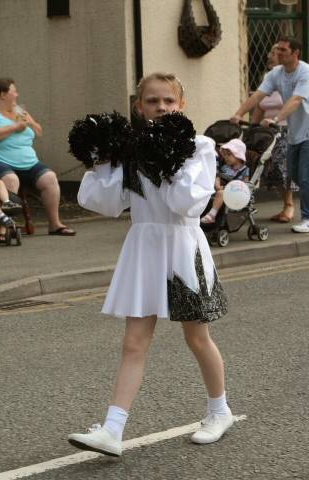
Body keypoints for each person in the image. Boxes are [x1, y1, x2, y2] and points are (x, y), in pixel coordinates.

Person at [68, 72, 236, 457]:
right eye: (152, 102)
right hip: (143, 245)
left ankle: (220, 410)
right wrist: (102, 161)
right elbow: (107, 203)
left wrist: (169, 160)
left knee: (197, 337)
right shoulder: (130, 149)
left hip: (182, 245)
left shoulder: (200, 145)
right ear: (138, 106)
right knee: (134, 342)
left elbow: (188, 203)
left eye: (168, 101)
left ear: (182, 104)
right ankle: (112, 429)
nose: (161, 108)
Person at [231, 36, 309, 234]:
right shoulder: (276, 73)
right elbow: (258, 96)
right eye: (278, 50)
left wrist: (277, 118)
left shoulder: (305, 72)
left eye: (283, 50)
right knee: (294, 176)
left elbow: (296, 100)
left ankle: (307, 218)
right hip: (295, 133)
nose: (278, 53)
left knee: (305, 177)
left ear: (295, 53)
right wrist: (239, 113)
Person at [0, 78, 76, 242]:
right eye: (14, 91)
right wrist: (15, 127)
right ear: (2, 95)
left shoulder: (19, 111)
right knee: (10, 179)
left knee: (49, 178)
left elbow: (38, 131)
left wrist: (30, 123)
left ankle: (55, 224)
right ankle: (3, 227)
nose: (17, 94)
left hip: (28, 163)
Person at [251, 44, 298, 223]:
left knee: (282, 168)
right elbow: (260, 105)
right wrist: (253, 128)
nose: (271, 55)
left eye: (277, 52)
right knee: (271, 171)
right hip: (269, 134)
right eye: (270, 52)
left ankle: (289, 205)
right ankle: (286, 204)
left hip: (289, 131)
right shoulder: (267, 79)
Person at [201, 138, 249, 223]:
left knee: (221, 193)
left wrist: (226, 188)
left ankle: (212, 215)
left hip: (236, 192)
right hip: (220, 188)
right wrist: (217, 185)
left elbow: (245, 184)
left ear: (238, 155)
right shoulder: (225, 167)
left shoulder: (244, 170)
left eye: (228, 155)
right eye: (225, 155)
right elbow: (218, 176)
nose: (225, 157)